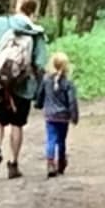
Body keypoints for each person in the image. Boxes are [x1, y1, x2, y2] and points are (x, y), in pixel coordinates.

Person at [0, 0, 50, 179]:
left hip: (0, 82)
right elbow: (40, 63)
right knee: (17, 124)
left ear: (18, 5)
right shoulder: (37, 33)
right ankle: (13, 164)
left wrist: (4, 20)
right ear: (34, 10)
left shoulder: (5, 23)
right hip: (23, 84)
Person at [35, 50, 80, 178]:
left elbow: (40, 95)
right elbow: (72, 101)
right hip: (63, 117)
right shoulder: (68, 83)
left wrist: (38, 104)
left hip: (50, 116)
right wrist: (74, 116)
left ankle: (50, 163)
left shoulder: (46, 80)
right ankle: (61, 162)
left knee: (51, 139)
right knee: (61, 140)